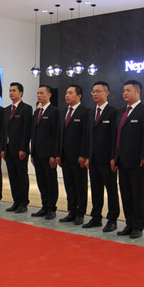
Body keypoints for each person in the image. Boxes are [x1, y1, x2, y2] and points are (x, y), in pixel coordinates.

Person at [111, 80, 144, 239]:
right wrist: (114, 156)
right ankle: (129, 224)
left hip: (137, 161)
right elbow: (116, 136)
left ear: (138, 91)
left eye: (128, 90)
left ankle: (138, 226)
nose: (125, 93)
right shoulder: (121, 111)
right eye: (124, 90)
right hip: (122, 160)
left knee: (137, 195)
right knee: (126, 194)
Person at [83, 81, 119, 232]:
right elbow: (88, 136)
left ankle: (112, 219)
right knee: (96, 189)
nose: (95, 94)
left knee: (111, 190)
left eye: (98, 91)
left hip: (107, 160)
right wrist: (87, 156)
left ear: (107, 92)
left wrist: (114, 157)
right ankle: (96, 217)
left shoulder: (113, 112)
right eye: (93, 92)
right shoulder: (91, 112)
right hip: (93, 159)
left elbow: (115, 137)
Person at [56, 85, 88, 225]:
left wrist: (83, 154)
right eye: (66, 93)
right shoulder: (63, 112)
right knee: (69, 185)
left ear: (79, 96)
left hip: (78, 157)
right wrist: (58, 153)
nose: (67, 95)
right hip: (64, 156)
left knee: (80, 185)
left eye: (70, 93)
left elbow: (86, 135)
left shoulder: (85, 112)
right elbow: (59, 135)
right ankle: (72, 211)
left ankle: (81, 213)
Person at [1, 82, 33, 213]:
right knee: (12, 176)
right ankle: (16, 201)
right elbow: (3, 131)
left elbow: (27, 130)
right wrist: (3, 148)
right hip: (8, 149)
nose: (11, 93)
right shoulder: (6, 110)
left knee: (21, 176)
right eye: (10, 90)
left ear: (21, 93)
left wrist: (23, 148)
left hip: (19, 149)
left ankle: (23, 203)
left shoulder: (26, 108)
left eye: (14, 90)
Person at [30, 85, 59, 220]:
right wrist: (32, 153)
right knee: (41, 181)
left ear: (49, 95)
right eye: (38, 93)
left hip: (48, 155)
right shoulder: (37, 112)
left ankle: (51, 208)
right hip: (37, 154)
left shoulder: (54, 111)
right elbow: (34, 134)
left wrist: (54, 154)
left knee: (50, 182)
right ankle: (44, 206)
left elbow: (55, 134)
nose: (39, 95)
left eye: (42, 93)